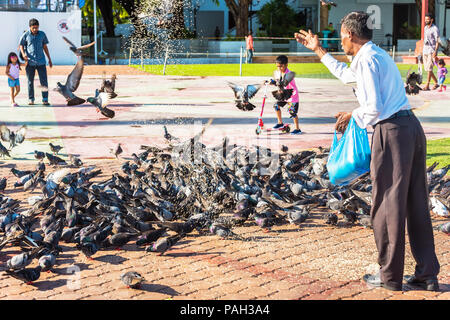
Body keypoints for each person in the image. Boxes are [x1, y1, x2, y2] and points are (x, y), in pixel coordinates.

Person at [295, 11, 440, 291]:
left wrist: (354, 116)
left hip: (392, 133)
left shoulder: (368, 59)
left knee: (386, 207)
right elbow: (349, 78)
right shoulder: (375, 55)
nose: (340, 41)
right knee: (415, 204)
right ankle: (426, 274)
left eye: (340, 36)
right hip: (410, 129)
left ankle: (390, 277)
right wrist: (319, 50)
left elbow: (372, 107)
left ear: (350, 34)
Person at [19, 18, 52, 106]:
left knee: (44, 81)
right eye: (33, 28)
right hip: (30, 62)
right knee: (30, 81)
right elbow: (21, 45)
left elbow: (45, 47)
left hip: (41, 62)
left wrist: (49, 58)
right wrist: (23, 54)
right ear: (29, 27)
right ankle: (31, 99)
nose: (35, 30)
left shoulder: (42, 34)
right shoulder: (25, 35)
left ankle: (45, 99)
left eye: (36, 28)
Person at [270, 55, 302, 135]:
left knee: (292, 112)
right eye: (277, 66)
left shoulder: (289, 74)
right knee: (276, 105)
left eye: (281, 66)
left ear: (286, 65)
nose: (279, 68)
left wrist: (277, 83)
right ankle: (280, 123)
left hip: (292, 96)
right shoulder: (278, 73)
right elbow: (277, 81)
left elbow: (284, 83)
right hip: (284, 95)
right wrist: (271, 82)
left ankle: (297, 129)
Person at [422, 13, 440, 91]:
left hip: (431, 50)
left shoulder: (435, 28)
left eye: (428, 19)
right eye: (425, 19)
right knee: (427, 68)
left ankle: (427, 85)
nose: (426, 20)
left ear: (432, 20)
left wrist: (435, 51)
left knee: (429, 68)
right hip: (425, 49)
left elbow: (437, 41)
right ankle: (436, 82)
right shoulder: (425, 28)